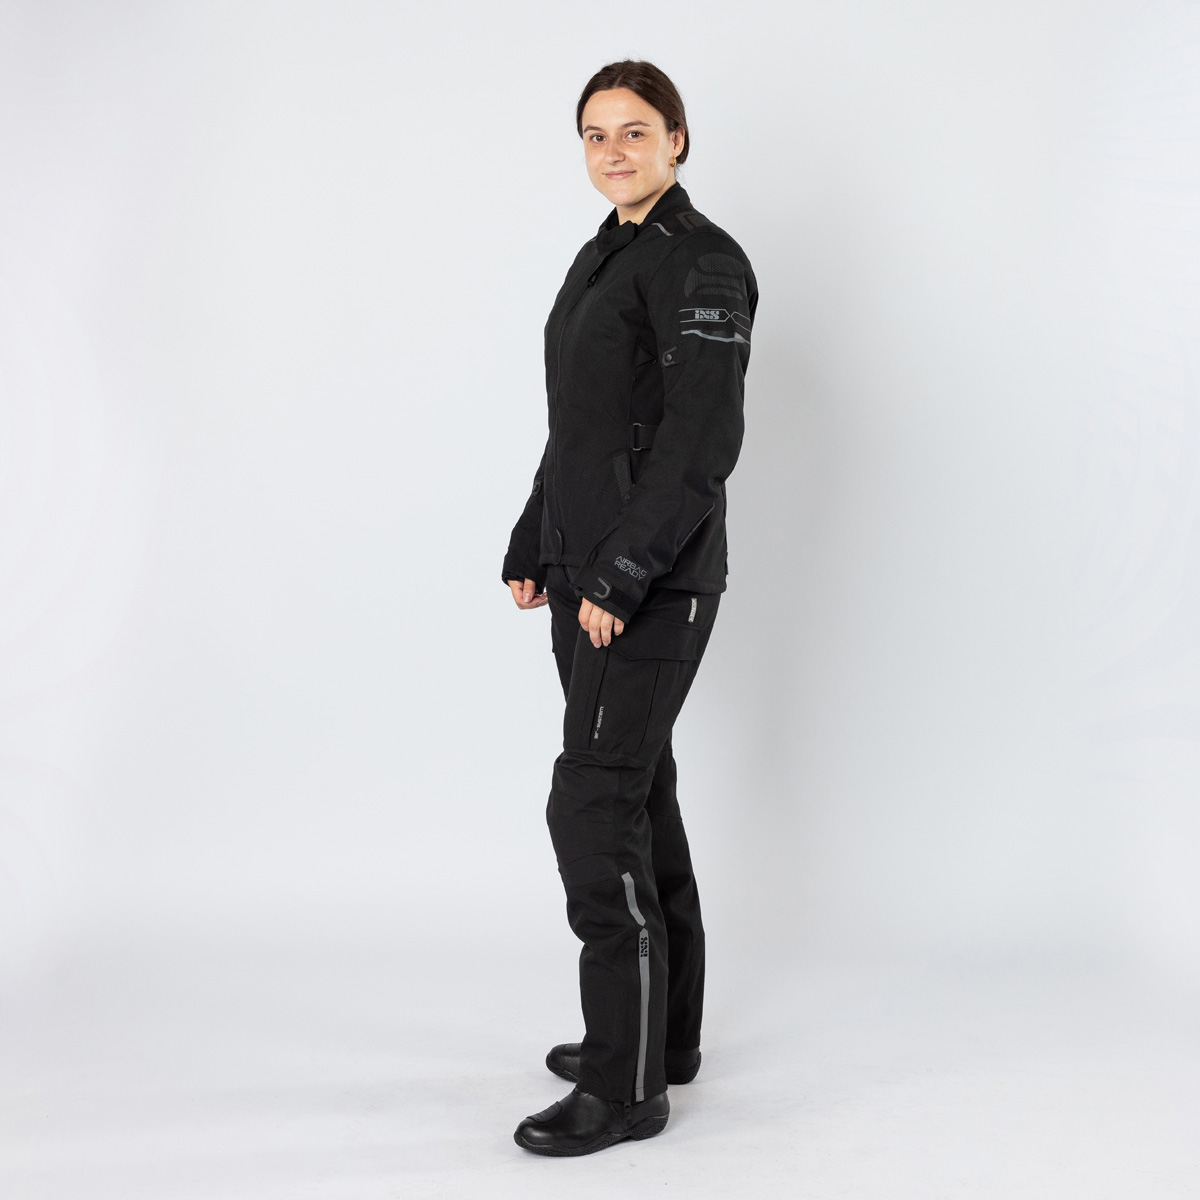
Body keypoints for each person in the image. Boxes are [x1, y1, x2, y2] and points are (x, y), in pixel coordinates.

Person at [501, 59, 758, 1157]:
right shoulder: (604, 253)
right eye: (596, 135)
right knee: (638, 793)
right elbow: (584, 426)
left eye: (636, 131)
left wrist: (618, 577)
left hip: (647, 585)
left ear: (678, 140)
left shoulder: (703, 261)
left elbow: (700, 443)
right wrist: (538, 542)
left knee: (594, 807)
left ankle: (625, 1087)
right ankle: (665, 1040)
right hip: (586, 576)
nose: (614, 152)